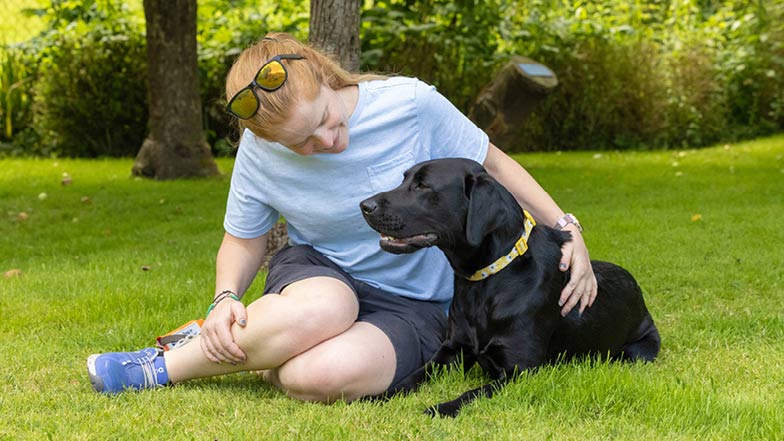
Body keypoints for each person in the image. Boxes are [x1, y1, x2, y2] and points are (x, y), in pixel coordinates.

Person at [86, 32, 597, 401]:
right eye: (303, 143)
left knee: (316, 378)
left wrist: (568, 230)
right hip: (321, 276)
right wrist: (225, 298)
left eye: (327, 121)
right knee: (326, 310)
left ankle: (265, 343)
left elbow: (493, 165)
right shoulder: (260, 152)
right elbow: (243, 239)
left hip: (417, 303)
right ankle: (157, 368)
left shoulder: (411, 104)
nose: (327, 141)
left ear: (328, 79)